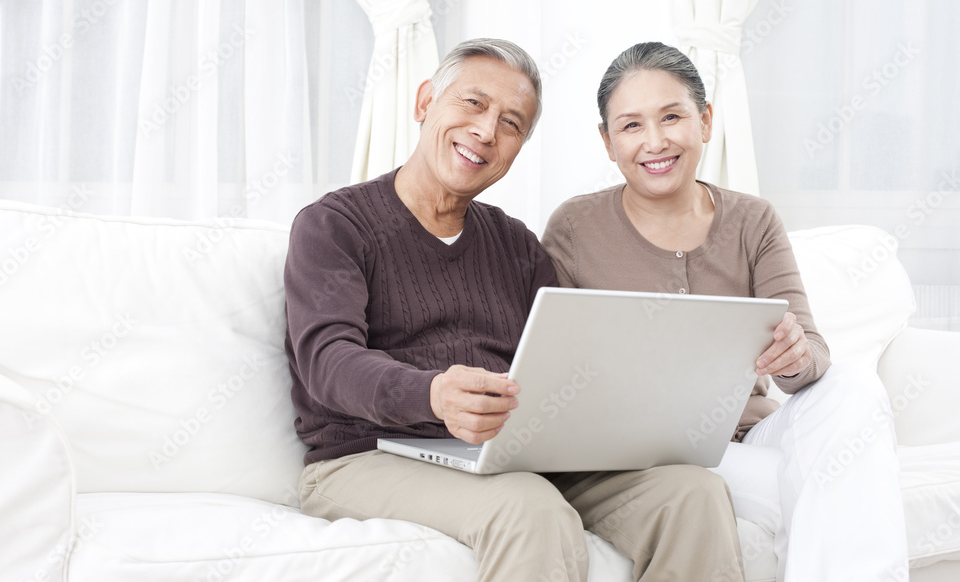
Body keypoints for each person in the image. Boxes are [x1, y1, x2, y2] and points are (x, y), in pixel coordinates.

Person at [284, 38, 746, 581]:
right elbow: (328, 362)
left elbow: (566, 366)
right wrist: (432, 394)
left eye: (512, 124)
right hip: (366, 455)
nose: (486, 131)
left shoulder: (518, 246)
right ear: (425, 101)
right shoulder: (334, 224)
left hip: (510, 451)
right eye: (473, 104)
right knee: (529, 506)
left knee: (692, 492)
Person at [542, 41, 910, 582]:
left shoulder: (753, 220)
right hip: (649, 460)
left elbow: (812, 360)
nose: (656, 141)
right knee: (837, 493)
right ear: (607, 141)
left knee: (854, 387)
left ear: (706, 121)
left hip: (749, 443)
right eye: (631, 126)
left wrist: (793, 355)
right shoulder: (574, 229)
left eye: (672, 117)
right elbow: (555, 372)